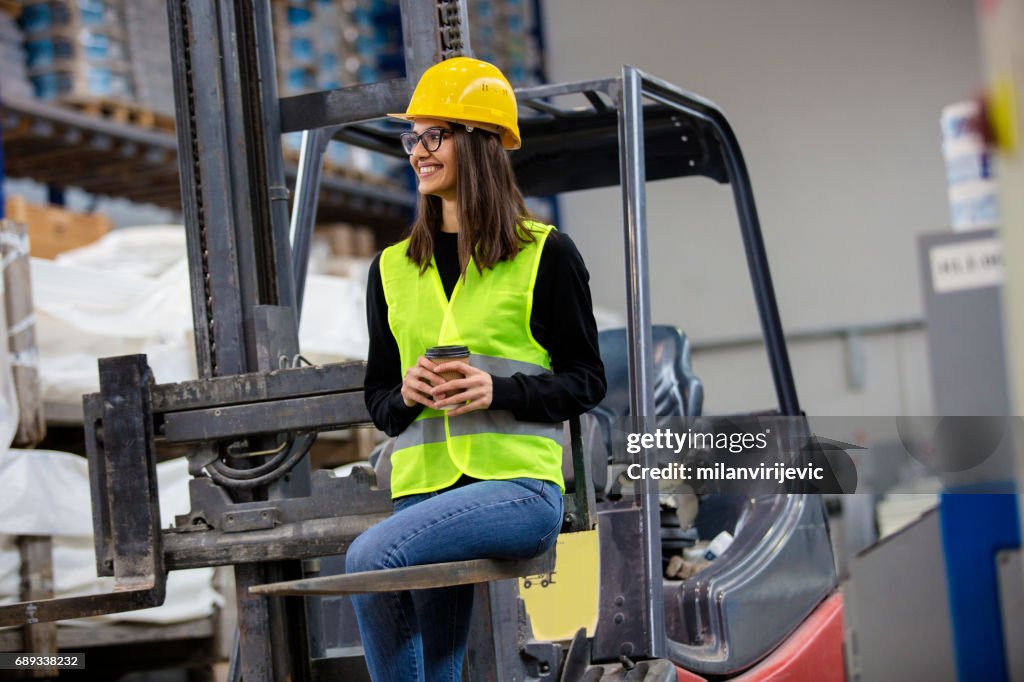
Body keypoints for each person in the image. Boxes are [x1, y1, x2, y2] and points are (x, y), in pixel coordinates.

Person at [348, 56, 606, 682]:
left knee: (370, 557)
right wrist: (406, 394)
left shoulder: (545, 254)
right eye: (413, 137)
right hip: (424, 494)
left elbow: (587, 380)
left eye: (435, 135)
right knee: (440, 664)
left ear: (479, 143)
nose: (418, 151)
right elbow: (379, 403)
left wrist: (500, 389)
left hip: (518, 491)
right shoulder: (389, 270)